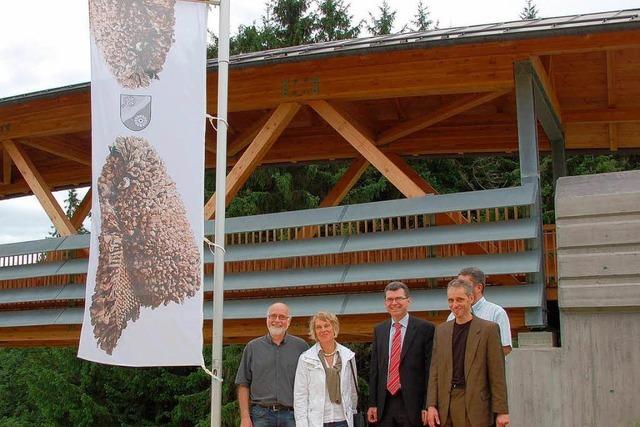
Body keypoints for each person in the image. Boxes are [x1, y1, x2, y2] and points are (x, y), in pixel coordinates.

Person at [425, 278, 509, 427]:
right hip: (446, 405)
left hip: (476, 406)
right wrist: (431, 405)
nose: (454, 305)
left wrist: (502, 411)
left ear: (471, 299)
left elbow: (497, 374)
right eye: (451, 300)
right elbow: (435, 372)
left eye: (459, 299)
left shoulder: (488, 329)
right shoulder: (441, 330)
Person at [367, 281, 435, 426]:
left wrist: (427, 405)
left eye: (399, 298)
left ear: (408, 301)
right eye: (390, 299)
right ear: (385, 303)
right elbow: (375, 370)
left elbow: (430, 371)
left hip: (413, 405)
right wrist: (372, 403)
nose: (394, 303)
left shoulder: (426, 329)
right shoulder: (379, 330)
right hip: (385, 404)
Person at [236, 302, 309, 427]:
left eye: (282, 317)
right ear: (267, 319)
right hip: (261, 415)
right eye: (273, 316)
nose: (277, 320)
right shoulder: (252, 347)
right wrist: (244, 417)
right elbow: (243, 384)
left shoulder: (301, 347)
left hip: (293, 416)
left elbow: (310, 383)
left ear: (289, 321)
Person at [294, 311, 358, 427]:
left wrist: (353, 412)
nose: (323, 330)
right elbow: (300, 396)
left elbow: (353, 390)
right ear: (315, 332)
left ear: (334, 328)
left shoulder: (348, 356)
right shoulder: (305, 359)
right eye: (318, 327)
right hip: (317, 421)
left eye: (327, 325)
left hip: (343, 420)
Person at [447, 267, 512, 355]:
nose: (460, 288)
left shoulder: (496, 313)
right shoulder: (452, 316)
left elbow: (505, 348)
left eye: (465, 285)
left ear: (479, 287)